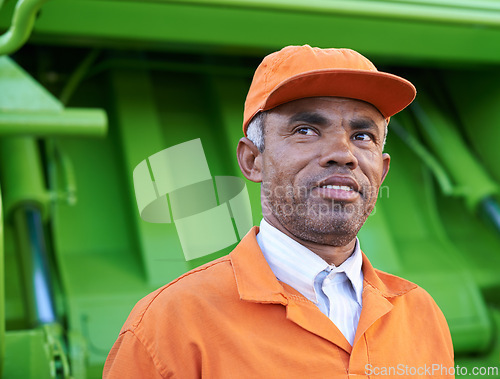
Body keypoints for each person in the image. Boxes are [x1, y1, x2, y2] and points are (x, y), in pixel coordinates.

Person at [104, 45, 454, 378]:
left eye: (363, 136)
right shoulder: (168, 326)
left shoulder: (421, 315)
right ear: (252, 160)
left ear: (382, 170)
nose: (343, 153)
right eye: (306, 130)